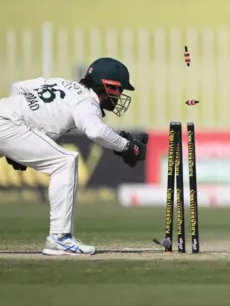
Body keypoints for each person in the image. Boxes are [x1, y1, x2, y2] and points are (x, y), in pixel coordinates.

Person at [0, 57, 148, 256]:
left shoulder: (63, 83)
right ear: (109, 87)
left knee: (61, 160)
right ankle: (60, 238)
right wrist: (127, 147)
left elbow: (18, 87)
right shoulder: (87, 102)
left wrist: (22, 138)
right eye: (120, 91)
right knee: (65, 162)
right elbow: (96, 131)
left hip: (6, 114)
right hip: (9, 124)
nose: (120, 96)